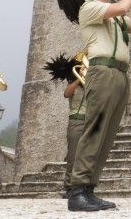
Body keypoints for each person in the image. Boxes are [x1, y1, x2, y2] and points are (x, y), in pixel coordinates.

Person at [48, 0, 131, 212]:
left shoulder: (114, 16)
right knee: (94, 130)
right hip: (103, 71)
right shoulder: (89, 7)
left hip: (119, 73)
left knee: (107, 135)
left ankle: (89, 189)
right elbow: (121, 7)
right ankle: (77, 191)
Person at [44, 53, 87, 196]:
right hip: (76, 120)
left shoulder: (92, 82)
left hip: (90, 121)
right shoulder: (73, 83)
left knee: (87, 156)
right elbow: (66, 94)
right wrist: (78, 78)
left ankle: (84, 186)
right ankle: (69, 186)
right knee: (73, 155)